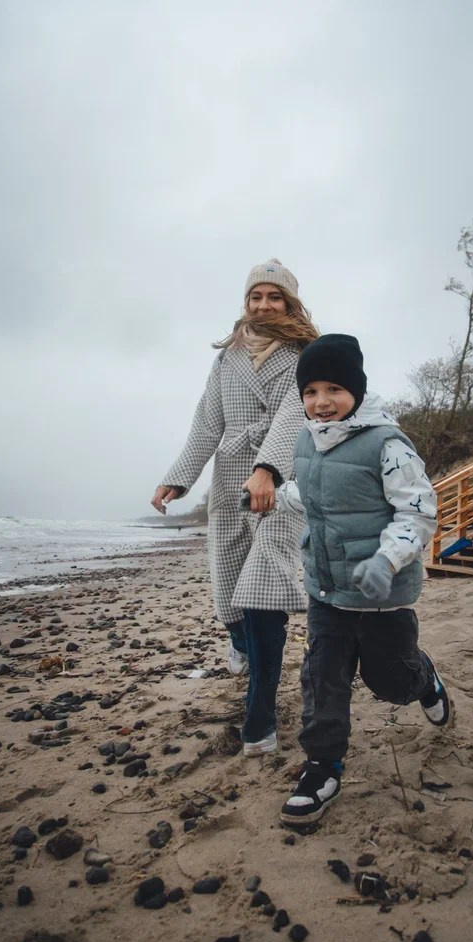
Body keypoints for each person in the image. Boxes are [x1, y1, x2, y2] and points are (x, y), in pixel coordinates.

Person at [274, 334, 451, 825]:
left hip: (380, 596)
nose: (321, 402)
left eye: (334, 388)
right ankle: (322, 767)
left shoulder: (387, 445)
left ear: (356, 389)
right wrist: (273, 498)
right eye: (311, 391)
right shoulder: (306, 439)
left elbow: (418, 512)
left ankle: (424, 678)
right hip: (327, 590)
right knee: (321, 678)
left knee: (390, 680)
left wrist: (386, 560)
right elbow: (311, 495)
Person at [151, 258, 318, 756]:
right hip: (229, 483)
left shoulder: (305, 354)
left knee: (265, 591)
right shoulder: (227, 359)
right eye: (255, 296)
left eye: (274, 297)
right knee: (229, 594)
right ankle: (241, 643)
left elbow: (295, 412)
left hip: (284, 483)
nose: (264, 305)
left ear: (290, 303)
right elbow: (208, 420)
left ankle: (260, 716)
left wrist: (269, 469)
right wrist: (178, 477)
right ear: (246, 302)